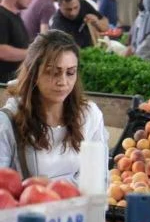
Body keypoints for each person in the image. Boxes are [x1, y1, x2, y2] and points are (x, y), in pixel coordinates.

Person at [0, 30, 107, 183]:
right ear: (33, 72)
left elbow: (98, 180)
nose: (62, 82)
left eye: (70, 73)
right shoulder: (7, 122)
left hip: (78, 205)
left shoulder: (89, 115)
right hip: (29, 205)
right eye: (53, 73)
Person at [0, 0, 32, 83]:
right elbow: (1, 51)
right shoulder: (2, 16)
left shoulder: (14, 16)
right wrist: (31, 53)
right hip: (3, 85)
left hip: (14, 82)